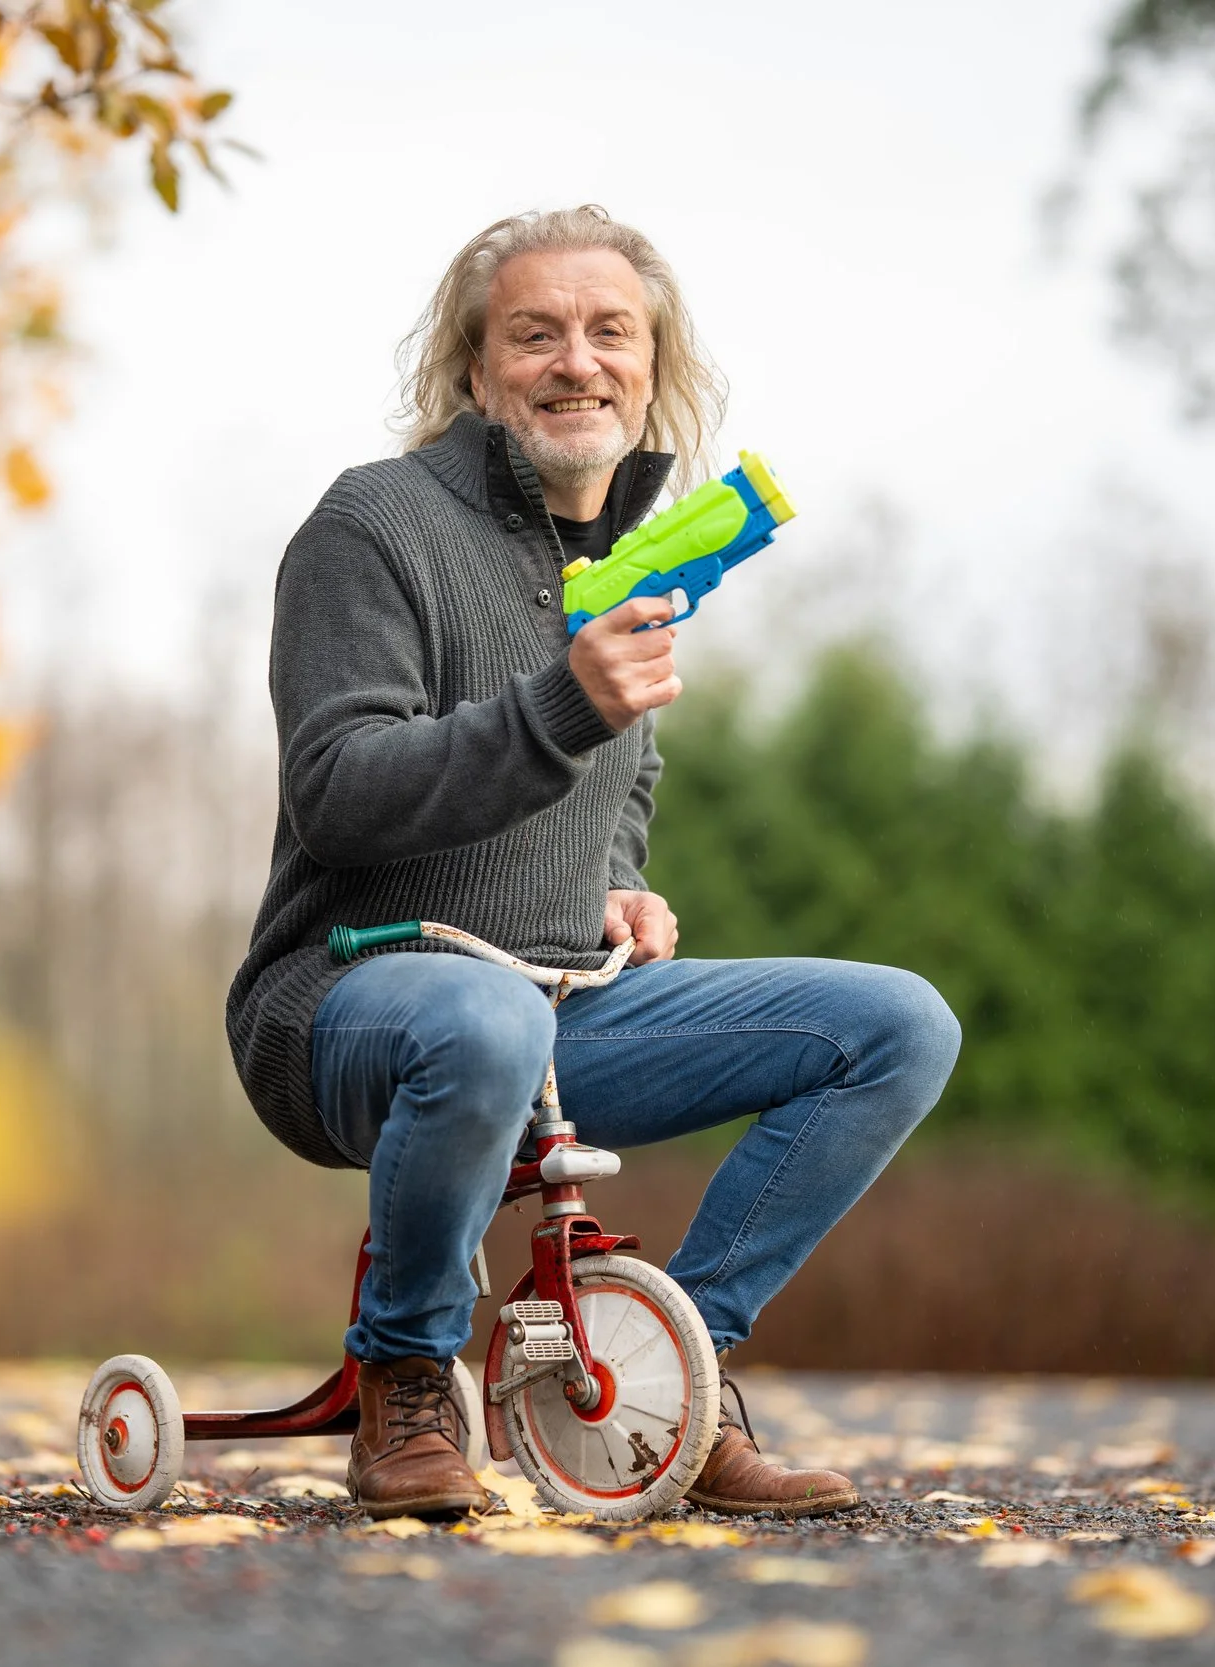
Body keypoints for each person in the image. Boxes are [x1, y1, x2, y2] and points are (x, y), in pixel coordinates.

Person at [225, 206, 962, 1520]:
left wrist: (618, 876)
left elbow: (628, 773)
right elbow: (336, 790)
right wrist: (560, 705)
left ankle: (679, 1363)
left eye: (609, 330)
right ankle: (404, 1372)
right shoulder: (374, 523)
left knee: (897, 1024)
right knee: (483, 1014)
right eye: (537, 332)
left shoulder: (627, 560)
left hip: (565, 998)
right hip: (346, 1002)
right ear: (473, 370)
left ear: (650, 360)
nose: (578, 360)